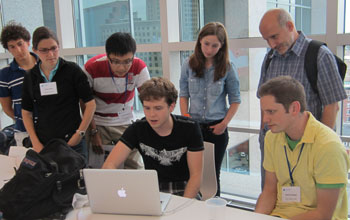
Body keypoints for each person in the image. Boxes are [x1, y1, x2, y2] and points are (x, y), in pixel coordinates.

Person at [258, 8, 347, 188]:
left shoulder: (319, 55)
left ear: (290, 26)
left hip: (306, 149)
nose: (271, 44)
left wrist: (318, 146)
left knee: (308, 203)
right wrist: (264, 135)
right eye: (266, 40)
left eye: (274, 37)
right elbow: (264, 103)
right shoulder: (270, 58)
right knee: (272, 197)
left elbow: (332, 106)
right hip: (275, 150)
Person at [255, 76, 349, 220]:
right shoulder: (271, 138)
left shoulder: (328, 146)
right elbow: (269, 191)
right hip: (281, 215)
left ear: (294, 108)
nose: (265, 120)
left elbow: (323, 214)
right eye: (264, 112)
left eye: (271, 112)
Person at [103, 77, 204, 198]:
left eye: (158, 108)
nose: (152, 114)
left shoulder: (190, 128)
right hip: (152, 187)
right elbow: (109, 165)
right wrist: (124, 190)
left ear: (171, 106)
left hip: (184, 187)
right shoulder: (138, 128)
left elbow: (196, 176)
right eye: (147, 108)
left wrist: (183, 206)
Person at [179, 22, 241, 196]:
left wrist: (224, 123)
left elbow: (235, 100)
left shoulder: (228, 67)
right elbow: (183, 94)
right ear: (200, 42)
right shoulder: (188, 64)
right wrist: (185, 118)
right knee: (192, 173)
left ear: (221, 46)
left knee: (212, 176)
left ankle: (214, 211)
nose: (209, 49)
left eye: (215, 45)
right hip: (193, 126)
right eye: (206, 43)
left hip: (217, 128)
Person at [21, 26, 96, 158]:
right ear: (34, 51)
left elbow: (90, 104)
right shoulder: (31, 76)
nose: (50, 54)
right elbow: (26, 112)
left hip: (72, 140)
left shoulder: (72, 70)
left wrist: (80, 133)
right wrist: (35, 141)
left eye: (53, 48)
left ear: (58, 47)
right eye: (44, 50)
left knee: (77, 177)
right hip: (44, 141)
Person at [84, 32, 149, 168]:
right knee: (99, 168)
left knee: (134, 168)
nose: (121, 67)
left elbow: (148, 99)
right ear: (107, 57)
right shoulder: (91, 67)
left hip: (125, 122)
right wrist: (94, 132)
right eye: (116, 61)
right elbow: (85, 103)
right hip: (98, 124)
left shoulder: (139, 67)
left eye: (127, 61)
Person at [0, 21, 38, 153]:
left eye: (20, 44)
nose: (18, 50)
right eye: (12, 47)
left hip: (50, 127)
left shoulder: (44, 65)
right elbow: (6, 107)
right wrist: (23, 119)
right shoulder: (5, 74)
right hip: (23, 132)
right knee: (28, 169)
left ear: (28, 42)